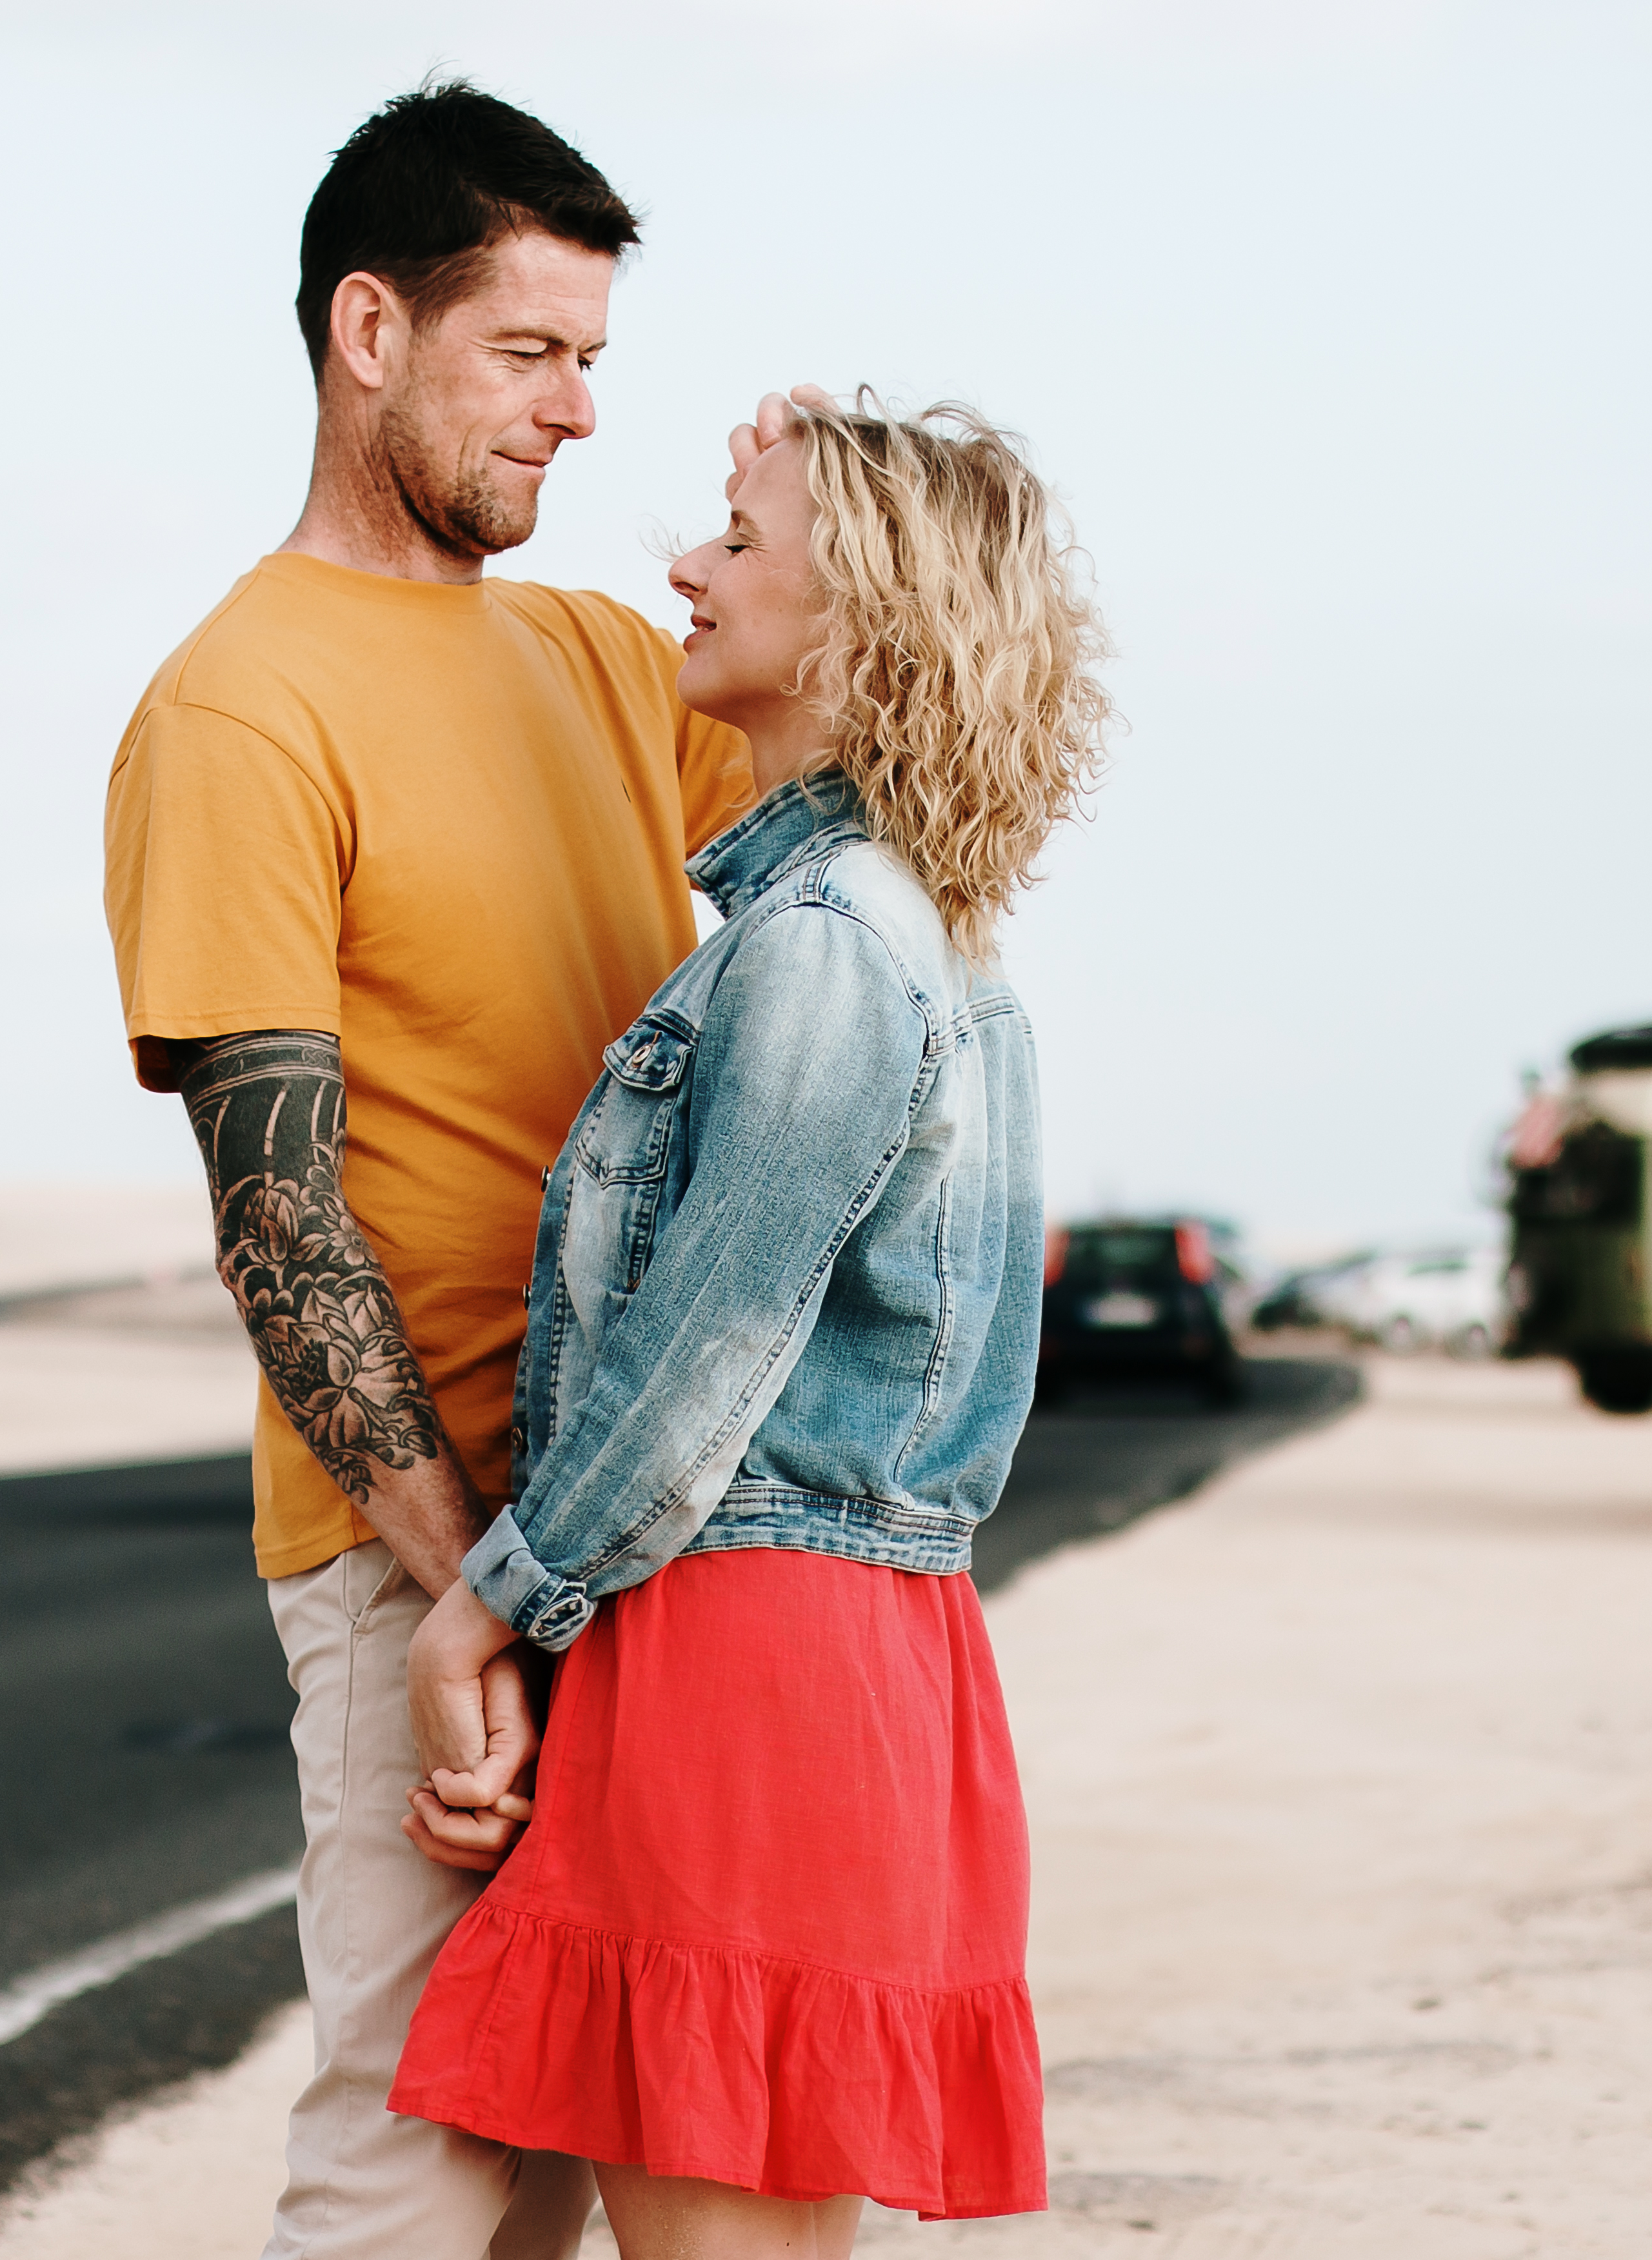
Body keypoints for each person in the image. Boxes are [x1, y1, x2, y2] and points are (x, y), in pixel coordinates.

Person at [98, 81, 749, 2260]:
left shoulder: (582, 657)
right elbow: (279, 1225)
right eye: (530, 352)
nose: (577, 415)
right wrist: (467, 1590)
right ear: (370, 329)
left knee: (557, 2161)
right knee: (418, 2159)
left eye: (594, 361)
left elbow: (892, 758)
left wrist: (842, 504)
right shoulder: (240, 709)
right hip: (426, 1549)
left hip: (623, 1526)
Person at [391, 390, 1109, 2256]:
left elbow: (700, 1362)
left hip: (739, 1650)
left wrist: (481, 1611)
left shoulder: (820, 947)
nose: (687, 566)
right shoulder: (931, 934)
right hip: (863, 1652)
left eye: (738, 536)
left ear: (857, 622)